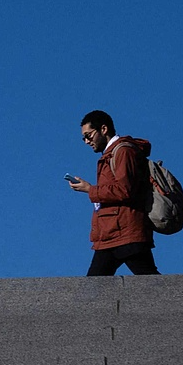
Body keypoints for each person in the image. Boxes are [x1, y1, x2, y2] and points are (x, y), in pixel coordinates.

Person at [64, 110, 159, 276]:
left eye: (89, 135)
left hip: (126, 233)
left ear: (104, 129)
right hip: (112, 234)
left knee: (152, 284)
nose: (86, 141)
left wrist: (90, 190)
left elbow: (124, 190)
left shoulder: (123, 151)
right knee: (94, 290)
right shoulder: (112, 154)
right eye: (84, 138)